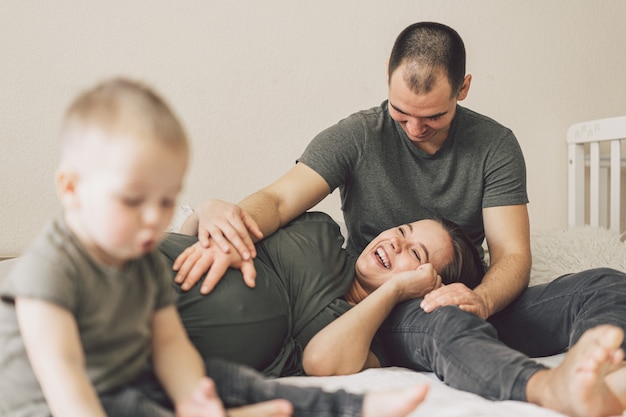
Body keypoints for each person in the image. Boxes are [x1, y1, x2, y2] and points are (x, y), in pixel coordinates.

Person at [173, 22, 626, 417]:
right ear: (387, 77)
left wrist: (479, 300)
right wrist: (229, 224)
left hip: (472, 287)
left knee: (608, 283)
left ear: (463, 88)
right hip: (398, 303)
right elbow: (275, 200)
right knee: (440, 319)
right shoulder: (357, 136)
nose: (413, 129)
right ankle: (548, 387)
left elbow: (512, 254)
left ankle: (604, 374)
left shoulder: (494, 145)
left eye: (432, 116)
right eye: (401, 112)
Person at [0, 78, 428, 417]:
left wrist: (193, 396)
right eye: (133, 201)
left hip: (130, 377)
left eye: (166, 201)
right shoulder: (50, 272)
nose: (153, 219)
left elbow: (170, 346)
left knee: (225, 380)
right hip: (57, 400)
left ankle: (351, 408)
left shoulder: (142, 261)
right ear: (71, 189)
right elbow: (64, 383)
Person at [160, 210, 484, 378]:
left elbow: (319, 362)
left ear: (426, 283)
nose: (395, 243)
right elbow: (199, 231)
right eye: (402, 231)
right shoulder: (320, 229)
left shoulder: (371, 344)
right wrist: (207, 211)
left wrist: (396, 289)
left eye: (415, 255)